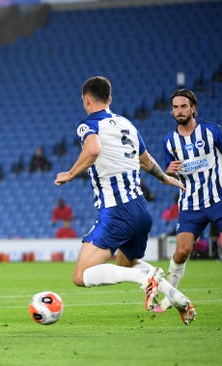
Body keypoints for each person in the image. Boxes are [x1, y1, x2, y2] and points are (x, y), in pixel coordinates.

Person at [54, 76, 196, 325]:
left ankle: (146, 280)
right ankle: (177, 297)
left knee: (80, 275)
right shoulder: (127, 124)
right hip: (141, 210)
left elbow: (93, 149)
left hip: (117, 212)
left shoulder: (88, 125)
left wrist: (70, 173)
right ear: (110, 99)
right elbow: (146, 161)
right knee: (125, 262)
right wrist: (164, 178)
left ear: (86, 100)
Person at [154, 88, 222, 313]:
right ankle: (169, 298)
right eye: (175, 107)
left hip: (218, 199)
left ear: (193, 108)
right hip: (190, 205)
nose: (180, 111)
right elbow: (167, 177)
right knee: (181, 251)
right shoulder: (169, 142)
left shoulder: (212, 131)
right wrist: (169, 172)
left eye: (184, 106)